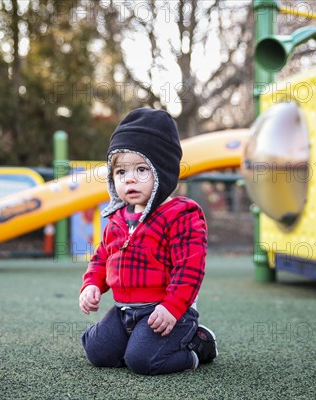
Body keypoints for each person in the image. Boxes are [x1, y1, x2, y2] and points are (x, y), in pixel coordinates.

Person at [79, 108, 218, 375]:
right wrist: (92, 284)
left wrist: (173, 308)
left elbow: (190, 269)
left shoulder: (181, 214)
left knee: (142, 361)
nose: (129, 178)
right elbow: (101, 256)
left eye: (141, 169)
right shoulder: (118, 217)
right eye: (120, 172)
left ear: (162, 171)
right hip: (124, 310)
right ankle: (134, 341)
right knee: (96, 351)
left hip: (165, 310)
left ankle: (198, 345)